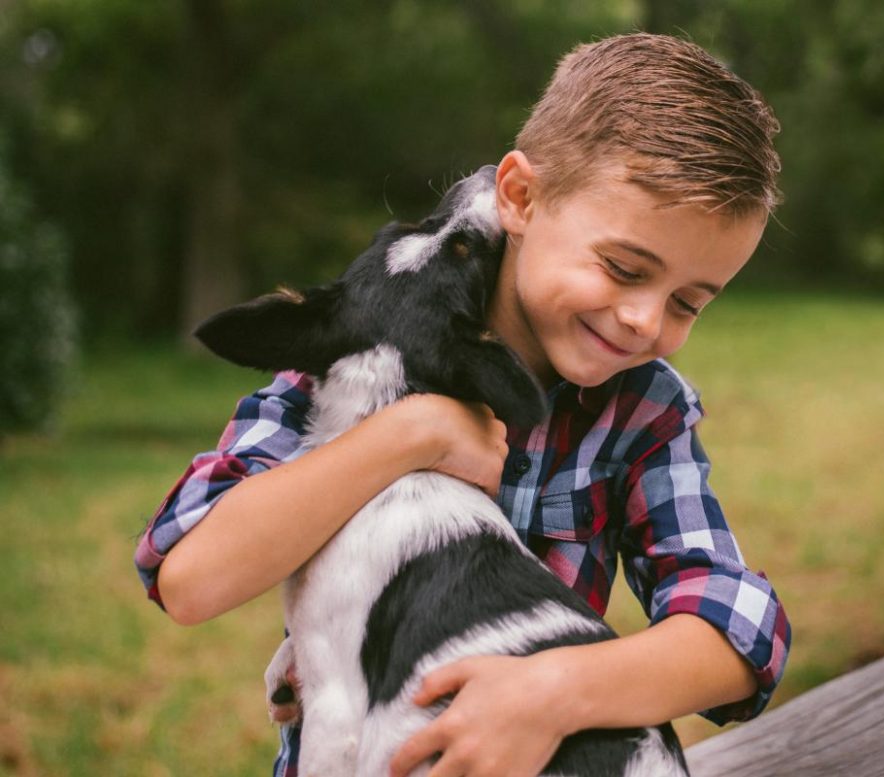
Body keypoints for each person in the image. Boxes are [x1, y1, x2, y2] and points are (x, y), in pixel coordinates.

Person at [136, 32, 791, 777]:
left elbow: (742, 633)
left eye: (687, 302)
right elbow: (190, 578)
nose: (646, 320)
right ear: (520, 196)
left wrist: (552, 690)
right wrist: (414, 432)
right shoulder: (356, 360)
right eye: (623, 267)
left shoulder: (639, 409)